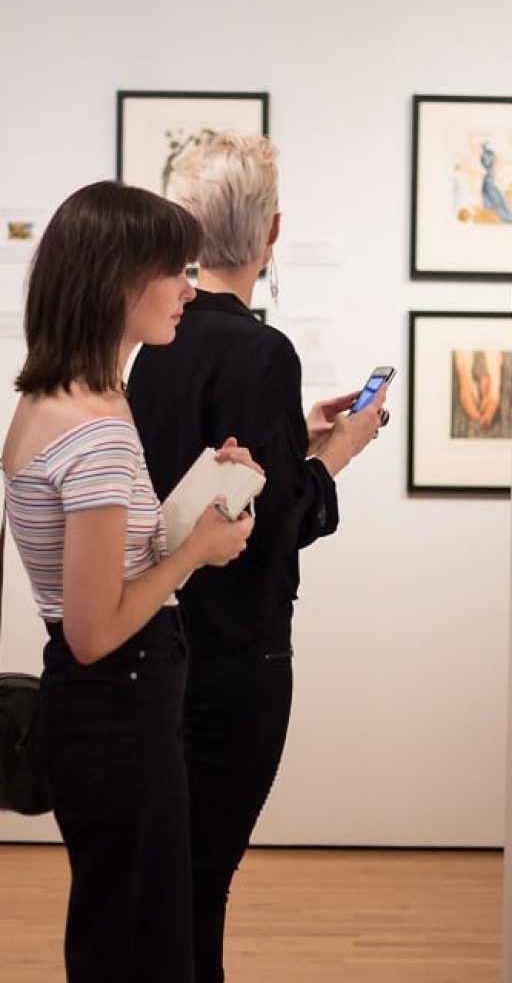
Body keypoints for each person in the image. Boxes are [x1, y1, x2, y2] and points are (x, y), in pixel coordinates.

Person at [127, 130, 385, 982]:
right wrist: (338, 452)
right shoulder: (261, 349)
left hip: (156, 644)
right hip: (236, 656)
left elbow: (198, 469)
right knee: (201, 888)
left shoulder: (152, 340)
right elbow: (272, 519)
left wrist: (297, 436)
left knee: (169, 884)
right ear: (272, 233)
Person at [0, 180, 255, 982]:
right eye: (173, 270)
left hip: (94, 708)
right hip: (117, 704)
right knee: (141, 953)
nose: (189, 287)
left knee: (120, 935)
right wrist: (196, 552)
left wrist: (190, 509)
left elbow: (99, 571)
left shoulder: (52, 398)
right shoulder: (98, 427)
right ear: (117, 280)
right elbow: (96, 625)